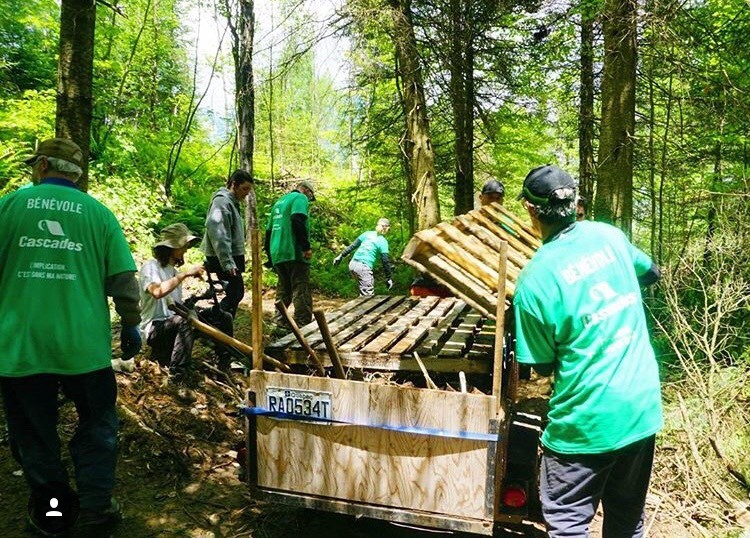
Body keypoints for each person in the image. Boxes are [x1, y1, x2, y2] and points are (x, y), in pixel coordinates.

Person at [0, 138, 142, 537]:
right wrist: (131, 323)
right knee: (97, 427)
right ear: (76, 174)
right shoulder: (98, 215)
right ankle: (96, 508)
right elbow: (123, 282)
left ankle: (55, 515)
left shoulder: (8, 207)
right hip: (85, 349)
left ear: (42, 165)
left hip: (20, 347)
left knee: (34, 434)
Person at [513, 164, 662, 538]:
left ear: (531, 211)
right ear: (576, 202)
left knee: (568, 526)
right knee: (627, 521)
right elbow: (651, 272)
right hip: (640, 409)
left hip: (585, 425)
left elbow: (542, 365)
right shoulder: (609, 237)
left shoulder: (534, 281)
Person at [139, 223, 205, 383]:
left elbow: (174, 306)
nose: (186, 249)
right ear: (171, 247)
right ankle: (178, 375)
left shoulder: (173, 272)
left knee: (217, 316)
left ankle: (224, 362)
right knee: (184, 321)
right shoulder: (151, 267)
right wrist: (185, 275)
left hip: (170, 325)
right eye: (183, 245)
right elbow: (156, 292)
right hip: (153, 328)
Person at [201, 169, 253, 319]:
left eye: (249, 190)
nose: (247, 193)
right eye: (244, 189)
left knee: (235, 293)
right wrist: (227, 262)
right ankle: (209, 320)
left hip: (229, 256)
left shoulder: (231, 202)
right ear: (234, 185)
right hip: (221, 257)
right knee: (236, 292)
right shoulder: (222, 202)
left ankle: (222, 328)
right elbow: (218, 232)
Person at [264, 180, 316, 327]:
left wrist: (269, 255)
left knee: (283, 288)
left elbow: (268, 232)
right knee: (301, 287)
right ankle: (302, 323)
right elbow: (297, 219)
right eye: (311, 197)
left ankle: (279, 321)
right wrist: (305, 247)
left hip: (277, 253)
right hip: (293, 250)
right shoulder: (300, 198)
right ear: (306, 190)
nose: (309, 201)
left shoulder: (279, 202)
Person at [333, 218, 393, 296]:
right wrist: (388, 278)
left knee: (363, 293)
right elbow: (385, 261)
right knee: (368, 297)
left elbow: (353, 246)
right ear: (387, 228)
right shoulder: (383, 241)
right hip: (363, 267)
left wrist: (341, 256)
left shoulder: (367, 234)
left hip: (353, 264)